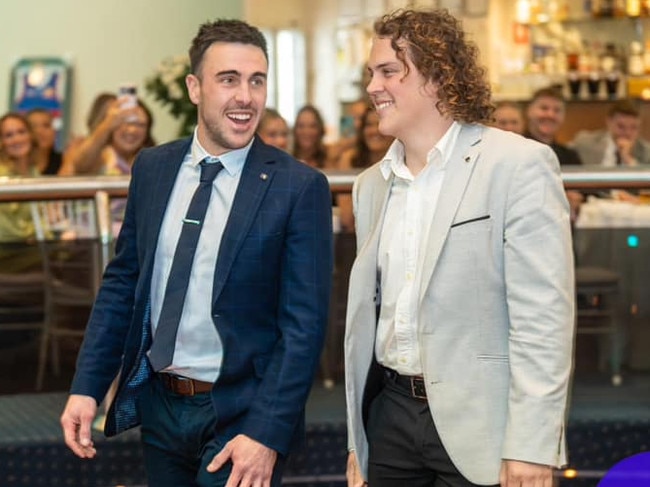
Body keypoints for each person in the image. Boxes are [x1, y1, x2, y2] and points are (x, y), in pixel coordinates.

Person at [60, 18, 333, 487]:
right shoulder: (154, 168)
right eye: (228, 80)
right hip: (160, 405)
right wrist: (87, 386)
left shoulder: (298, 187)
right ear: (194, 87)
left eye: (256, 80)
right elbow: (123, 284)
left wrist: (267, 432)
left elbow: (303, 329)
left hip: (241, 416)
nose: (245, 97)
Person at [345, 9, 575, 487]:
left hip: (483, 428)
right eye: (371, 73)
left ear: (436, 76)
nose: (372, 86)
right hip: (388, 419)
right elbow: (367, 324)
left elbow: (544, 320)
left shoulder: (517, 165)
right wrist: (357, 442)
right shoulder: (371, 185)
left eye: (388, 71)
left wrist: (531, 445)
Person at [337, 106, 393, 232]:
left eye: (379, 123)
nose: (374, 130)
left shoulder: (405, 160)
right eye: (368, 125)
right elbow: (347, 219)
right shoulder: (349, 159)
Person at [69, 97, 155, 175]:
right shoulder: (101, 156)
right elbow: (80, 166)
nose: (132, 130)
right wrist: (107, 125)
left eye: (140, 125)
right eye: (125, 122)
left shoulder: (152, 158)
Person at [570, 99, 650, 167]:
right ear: (609, 122)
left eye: (633, 128)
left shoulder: (646, 152)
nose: (627, 133)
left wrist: (628, 159)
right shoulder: (585, 143)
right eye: (621, 127)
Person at [524, 86, 582, 166]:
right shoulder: (516, 151)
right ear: (529, 111)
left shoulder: (570, 157)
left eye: (557, 110)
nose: (550, 115)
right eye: (544, 108)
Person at [26, 108, 74, 175]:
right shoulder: (19, 163)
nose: (40, 131)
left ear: (54, 132)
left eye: (46, 125)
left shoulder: (64, 161)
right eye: (34, 126)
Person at [291, 104, 337, 168]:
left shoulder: (331, 157)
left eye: (312, 126)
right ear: (294, 130)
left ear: (320, 130)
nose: (306, 131)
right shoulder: (287, 159)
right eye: (301, 126)